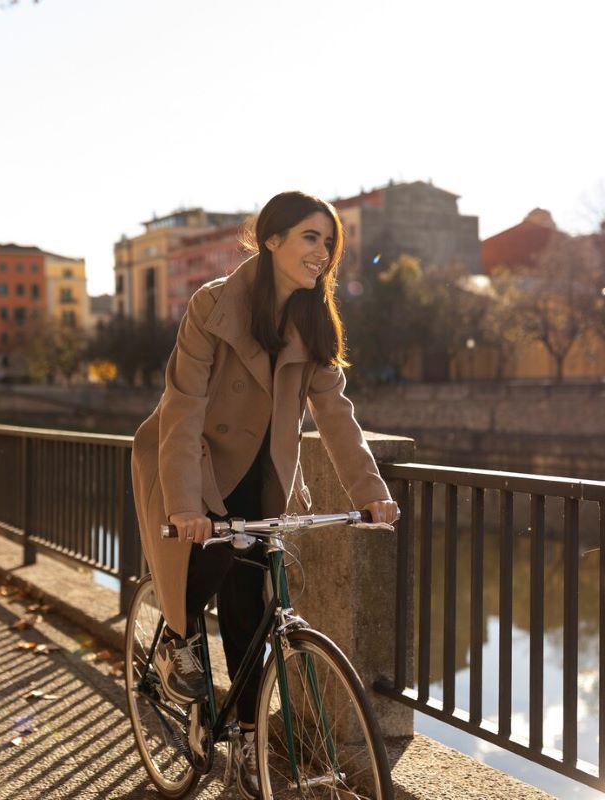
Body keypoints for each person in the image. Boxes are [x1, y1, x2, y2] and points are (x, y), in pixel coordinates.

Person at [130, 190, 399, 798]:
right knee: (205, 562)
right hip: (193, 459)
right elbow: (183, 408)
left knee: (253, 613)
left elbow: (335, 413)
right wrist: (183, 504)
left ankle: (251, 743)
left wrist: (371, 492)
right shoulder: (213, 305)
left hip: (263, 472)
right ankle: (176, 644)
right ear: (271, 239)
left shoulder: (313, 319)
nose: (322, 252)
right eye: (310, 237)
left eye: (329, 242)